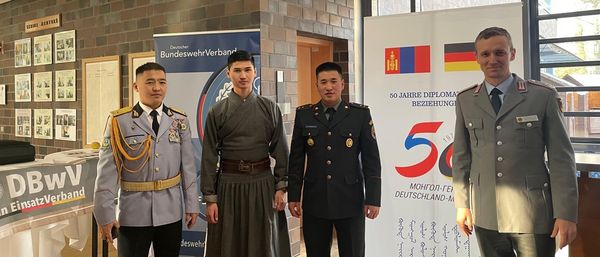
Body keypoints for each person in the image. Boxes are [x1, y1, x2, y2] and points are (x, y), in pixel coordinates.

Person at [452, 27, 578, 257]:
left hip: (532, 213)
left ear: (512, 54)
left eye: (499, 52)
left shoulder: (542, 96)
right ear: (477, 58)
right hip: (485, 211)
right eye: (485, 54)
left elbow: (562, 159)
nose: (492, 60)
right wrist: (462, 204)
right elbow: (461, 157)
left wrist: (566, 213)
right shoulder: (466, 100)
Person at [94, 62, 199, 257]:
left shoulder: (179, 120)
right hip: (134, 213)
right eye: (150, 82)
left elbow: (189, 167)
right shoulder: (120, 122)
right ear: (136, 86)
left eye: (162, 82)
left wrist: (192, 204)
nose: (157, 87)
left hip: (170, 211)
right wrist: (105, 214)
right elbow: (107, 172)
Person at [201, 50, 291, 257]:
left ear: (255, 72)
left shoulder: (269, 108)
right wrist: (211, 198)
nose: (243, 75)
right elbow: (208, 157)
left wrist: (281, 186)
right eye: (237, 70)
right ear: (228, 74)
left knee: (263, 242)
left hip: (262, 183)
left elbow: (281, 150)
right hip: (228, 185)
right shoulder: (217, 111)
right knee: (229, 243)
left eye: (247, 70)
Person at [288, 62, 382, 257]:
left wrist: (373, 198)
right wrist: (294, 196)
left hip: (350, 200)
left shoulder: (359, 115)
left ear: (342, 84)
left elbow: (371, 159)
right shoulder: (304, 115)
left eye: (333, 81)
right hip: (316, 201)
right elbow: (296, 160)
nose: (328, 87)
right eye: (323, 82)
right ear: (317, 85)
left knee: (353, 253)